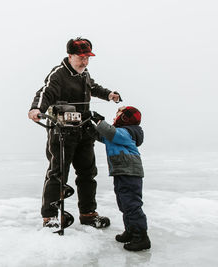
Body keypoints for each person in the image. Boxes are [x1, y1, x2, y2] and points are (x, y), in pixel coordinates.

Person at [28, 37, 121, 228]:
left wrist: (109, 94)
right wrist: (36, 109)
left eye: (87, 58)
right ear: (70, 56)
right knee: (58, 173)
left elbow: (93, 87)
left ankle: (88, 214)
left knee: (88, 173)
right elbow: (44, 92)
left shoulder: (84, 74)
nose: (85, 62)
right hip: (62, 132)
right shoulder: (58, 74)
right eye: (81, 57)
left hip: (84, 131)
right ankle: (51, 216)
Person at [90, 106, 151, 251]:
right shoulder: (119, 133)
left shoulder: (127, 131)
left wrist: (99, 120)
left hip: (130, 172)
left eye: (118, 114)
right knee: (124, 204)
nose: (115, 116)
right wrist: (89, 125)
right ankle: (130, 231)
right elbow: (102, 136)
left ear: (125, 118)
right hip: (121, 172)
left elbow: (110, 132)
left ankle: (141, 237)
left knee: (132, 205)